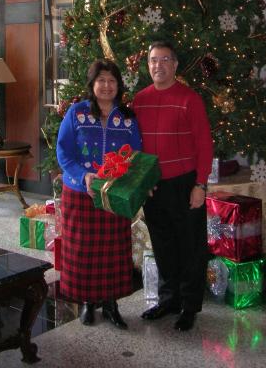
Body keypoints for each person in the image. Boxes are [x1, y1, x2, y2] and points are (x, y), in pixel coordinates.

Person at [133, 40, 213, 331]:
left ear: (175, 65)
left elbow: (205, 145)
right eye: (153, 60)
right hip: (154, 186)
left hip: (184, 183)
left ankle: (189, 306)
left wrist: (200, 185)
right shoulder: (139, 100)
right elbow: (135, 147)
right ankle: (169, 300)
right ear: (148, 65)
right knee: (164, 245)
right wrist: (142, 182)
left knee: (190, 247)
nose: (158, 65)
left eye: (164, 60)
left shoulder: (189, 99)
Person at [56, 58, 142, 329]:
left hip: (113, 196)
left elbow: (137, 155)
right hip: (81, 193)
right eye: (101, 80)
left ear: (119, 85)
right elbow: (63, 152)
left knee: (114, 251)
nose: (106, 86)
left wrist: (132, 183)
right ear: (92, 84)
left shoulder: (127, 119)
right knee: (82, 250)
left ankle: (111, 304)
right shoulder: (77, 113)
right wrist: (84, 176)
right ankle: (87, 303)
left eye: (112, 81)